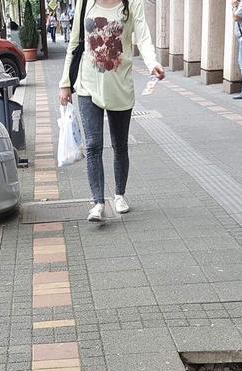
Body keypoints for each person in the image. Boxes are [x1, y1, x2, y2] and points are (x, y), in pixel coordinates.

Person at [59, 0, 164, 223]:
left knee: (120, 144)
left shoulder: (132, 4)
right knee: (93, 144)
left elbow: (143, 37)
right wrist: (65, 82)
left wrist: (152, 62)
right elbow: (75, 43)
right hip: (88, 84)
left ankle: (119, 195)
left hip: (120, 85)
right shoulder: (85, 3)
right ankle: (97, 202)